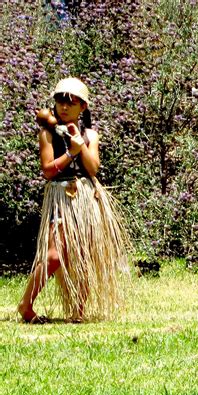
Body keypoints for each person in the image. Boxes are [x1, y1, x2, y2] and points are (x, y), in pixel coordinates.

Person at [17, 77, 131, 324]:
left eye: (70, 102)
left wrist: (79, 142)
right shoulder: (47, 134)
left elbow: (93, 168)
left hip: (86, 196)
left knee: (84, 253)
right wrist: (70, 153)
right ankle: (26, 305)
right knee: (55, 255)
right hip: (60, 194)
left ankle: (78, 310)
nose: (64, 107)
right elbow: (47, 170)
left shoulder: (90, 135)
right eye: (59, 101)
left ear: (83, 107)